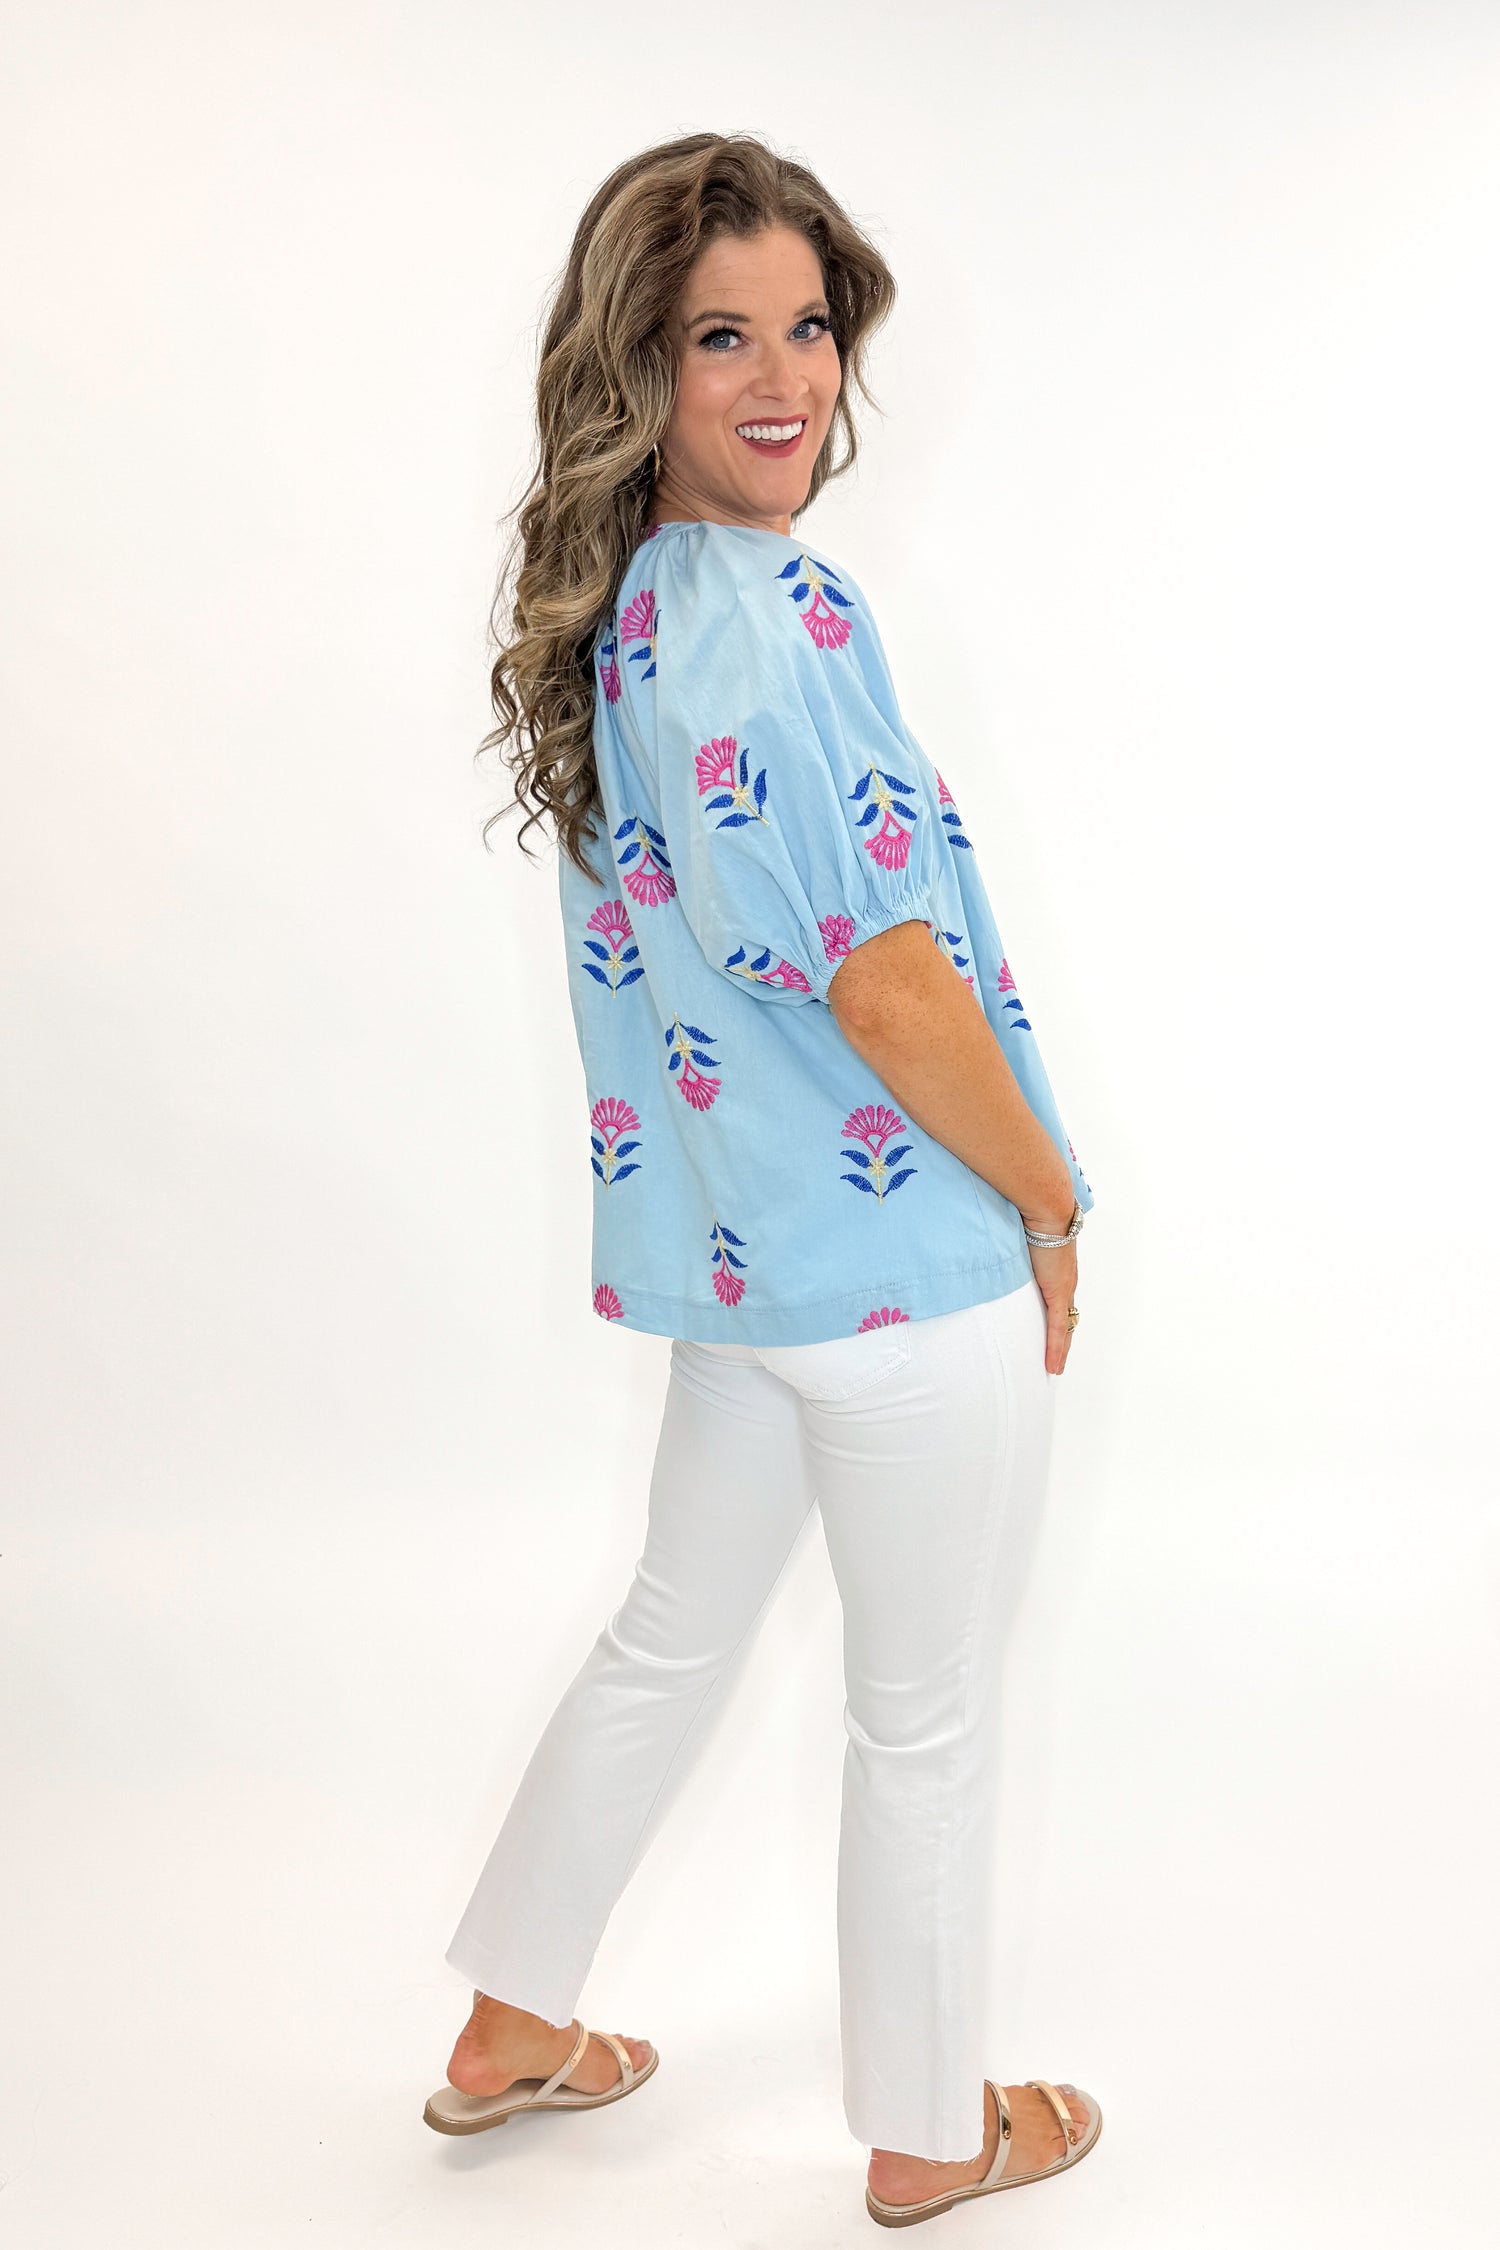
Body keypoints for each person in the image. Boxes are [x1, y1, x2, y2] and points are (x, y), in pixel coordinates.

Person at [423, 132, 1103, 2230]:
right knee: (924, 1722)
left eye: (808, 326)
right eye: (723, 334)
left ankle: (507, 2026)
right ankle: (925, 2132)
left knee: (665, 1639)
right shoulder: (788, 619)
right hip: (900, 1281)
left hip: (744, 1277)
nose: (786, 374)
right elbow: (890, 988)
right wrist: (1054, 1197)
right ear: (640, 362)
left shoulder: (627, 618)